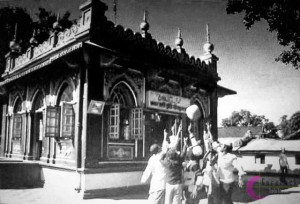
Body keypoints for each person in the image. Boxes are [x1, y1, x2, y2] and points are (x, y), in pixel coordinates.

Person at [160, 129, 187, 204]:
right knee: (177, 201)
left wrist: (165, 152)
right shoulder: (179, 162)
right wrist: (185, 144)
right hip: (178, 184)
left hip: (169, 184)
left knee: (168, 201)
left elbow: (160, 159)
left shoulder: (167, 163)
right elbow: (183, 154)